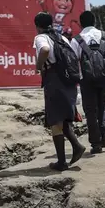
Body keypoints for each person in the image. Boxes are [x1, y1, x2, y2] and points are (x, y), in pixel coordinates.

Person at [34, 12, 85, 171]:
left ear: (37, 26)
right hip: (68, 79)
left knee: (55, 120)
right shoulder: (62, 37)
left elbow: (44, 50)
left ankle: (61, 162)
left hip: (54, 79)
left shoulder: (41, 37)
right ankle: (76, 146)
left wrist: (38, 66)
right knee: (63, 117)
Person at [70, 11, 105, 154]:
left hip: (87, 78)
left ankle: (96, 143)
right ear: (94, 22)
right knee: (102, 105)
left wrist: (73, 81)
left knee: (90, 109)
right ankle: (104, 133)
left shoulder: (76, 39)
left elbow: (73, 62)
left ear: (80, 23)